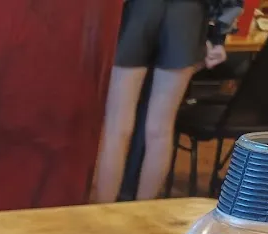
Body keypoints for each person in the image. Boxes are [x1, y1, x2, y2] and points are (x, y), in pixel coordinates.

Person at [92, 0, 244, 202]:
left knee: (116, 128)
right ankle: (144, 214)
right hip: (187, 14)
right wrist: (218, 36)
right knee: (160, 130)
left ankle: (103, 214)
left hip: (136, 10)